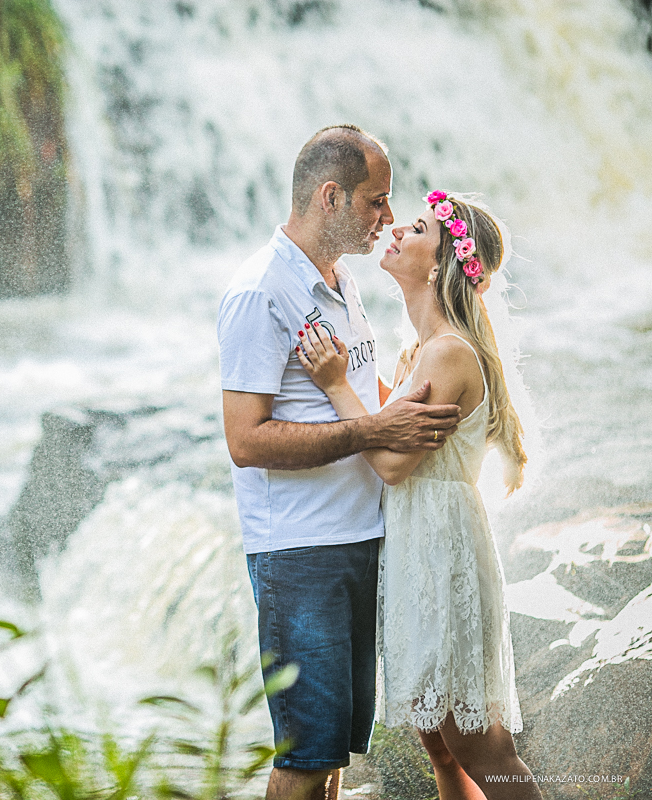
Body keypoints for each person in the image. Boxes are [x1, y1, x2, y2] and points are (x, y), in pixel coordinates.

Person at [218, 124, 463, 800]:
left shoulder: (341, 280)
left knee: (332, 759)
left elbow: (363, 396)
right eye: (375, 201)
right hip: (301, 551)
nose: (388, 216)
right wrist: (373, 430)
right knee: (304, 759)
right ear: (331, 196)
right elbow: (245, 441)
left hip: (359, 537)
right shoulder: (261, 292)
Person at [297, 192, 542, 800]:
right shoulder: (422, 351)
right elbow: (386, 417)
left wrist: (334, 384)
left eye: (419, 227)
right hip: (418, 547)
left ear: (440, 265)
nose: (398, 229)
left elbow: (389, 463)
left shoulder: (449, 354)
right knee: (439, 742)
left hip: (441, 551)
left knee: (479, 744)